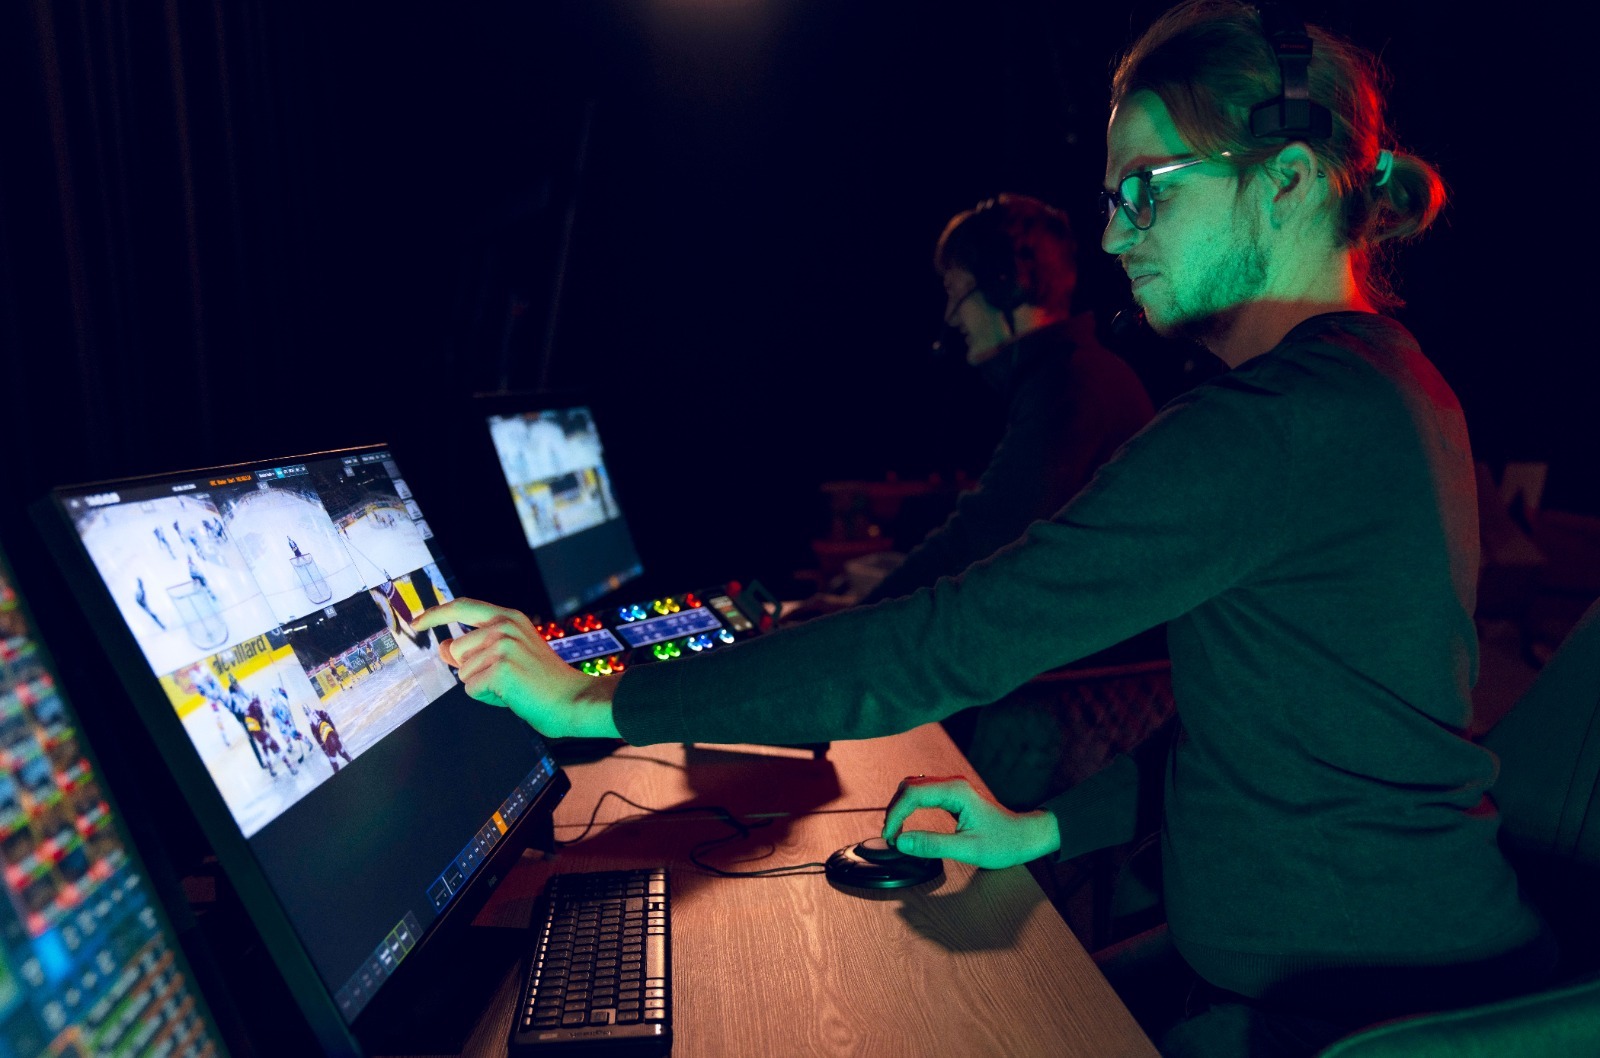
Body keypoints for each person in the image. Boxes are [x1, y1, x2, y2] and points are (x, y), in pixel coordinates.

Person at [414, 3, 1553, 1054]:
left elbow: (946, 642)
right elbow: (1271, 730)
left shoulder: (1271, 426)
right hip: (1356, 960)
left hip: (1359, 1010)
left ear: (1289, 181)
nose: (1114, 236)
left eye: (1146, 188)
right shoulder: (1388, 385)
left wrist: (589, 696)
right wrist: (1034, 830)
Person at [798, 194, 1154, 614]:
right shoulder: (1069, 374)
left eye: (955, 291)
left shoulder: (1071, 387)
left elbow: (982, 536)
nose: (950, 316)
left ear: (1003, 285)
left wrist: (854, 618)